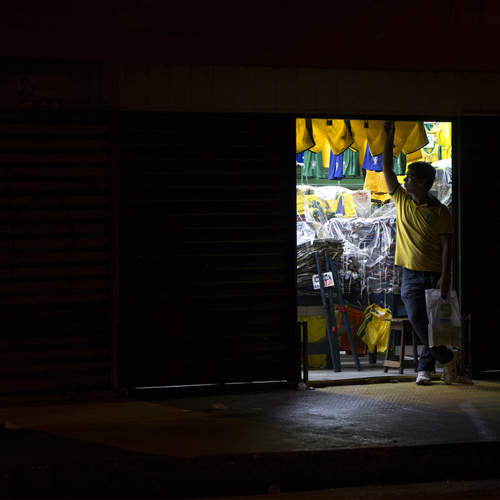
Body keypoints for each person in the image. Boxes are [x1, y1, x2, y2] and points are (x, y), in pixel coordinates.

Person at [382, 121, 459, 385]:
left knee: (433, 325)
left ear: (422, 182)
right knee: (417, 318)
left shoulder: (440, 212)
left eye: (410, 177)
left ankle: (426, 368)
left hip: (434, 276)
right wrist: (388, 140)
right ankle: (449, 359)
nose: (405, 181)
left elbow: (448, 245)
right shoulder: (402, 200)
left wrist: (445, 277)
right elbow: (387, 170)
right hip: (410, 276)